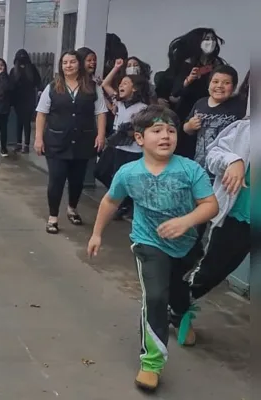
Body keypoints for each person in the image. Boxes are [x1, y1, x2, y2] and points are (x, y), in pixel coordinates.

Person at [87, 105, 218, 392]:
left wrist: (186, 221)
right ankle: (151, 363)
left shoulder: (189, 169)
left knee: (179, 292)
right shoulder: (128, 172)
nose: (165, 136)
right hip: (148, 242)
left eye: (171, 130)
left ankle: (182, 315)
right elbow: (110, 201)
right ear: (139, 138)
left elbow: (210, 205)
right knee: (156, 296)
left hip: (186, 245)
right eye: (157, 131)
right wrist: (97, 234)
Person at [34, 50, 107, 234]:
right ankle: (53, 217)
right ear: (61, 66)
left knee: (77, 180)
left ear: (79, 64)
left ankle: (72, 208)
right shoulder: (53, 87)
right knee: (56, 179)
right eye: (65, 62)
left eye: (72, 62)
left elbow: (100, 112)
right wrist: (38, 138)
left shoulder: (92, 87)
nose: (68, 66)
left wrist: (101, 135)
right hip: (57, 141)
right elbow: (41, 114)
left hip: (83, 141)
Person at [187, 117, 250, 314]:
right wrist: (232, 161)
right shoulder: (244, 129)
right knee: (212, 270)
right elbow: (213, 155)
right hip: (238, 217)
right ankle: (177, 305)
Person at [100, 58, 152, 219]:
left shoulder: (142, 108)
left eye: (125, 83)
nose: (121, 86)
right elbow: (105, 85)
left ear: (135, 89)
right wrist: (116, 67)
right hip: (117, 146)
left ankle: (124, 204)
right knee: (107, 173)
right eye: (120, 83)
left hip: (134, 150)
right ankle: (122, 200)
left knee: (128, 178)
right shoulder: (120, 102)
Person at [167, 28, 227, 158]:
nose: (210, 42)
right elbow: (175, 92)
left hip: (211, 109)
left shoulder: (218, 64)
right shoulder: (186, 64)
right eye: (206, 39)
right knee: (185, 147)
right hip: (187, 110)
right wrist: (189, 79)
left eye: (212, 39)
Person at [183, 65, 245, 170]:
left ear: (234, 88)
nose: (220, 86)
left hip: (226, 166)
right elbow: (186, 129)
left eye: (226, 83)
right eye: (215, 82)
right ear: (209, 84)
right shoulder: (200, 103)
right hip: (200, 165)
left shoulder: (239, 106)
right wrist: (189, 126)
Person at [9, 49, 42, 153]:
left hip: (29, 99)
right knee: (19, 122)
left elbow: (38, 81)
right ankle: (18, 143)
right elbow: (10, 86)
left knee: (26, 122)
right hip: (18, 100)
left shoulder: (31, 69)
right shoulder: (14, 71)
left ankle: (26, 144)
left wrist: (40, 90)